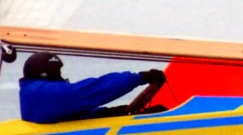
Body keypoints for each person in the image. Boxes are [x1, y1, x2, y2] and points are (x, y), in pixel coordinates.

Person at [17, 53, 167, 124]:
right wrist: (140, 78)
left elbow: (73, 115)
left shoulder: (33, 92)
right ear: (48, 73)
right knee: (159, 114)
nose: (62, 76)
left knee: (148, 112)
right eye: (58, 72)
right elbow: (94, 91)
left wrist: (113, 112)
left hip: (69, 131)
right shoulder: (44, 93)